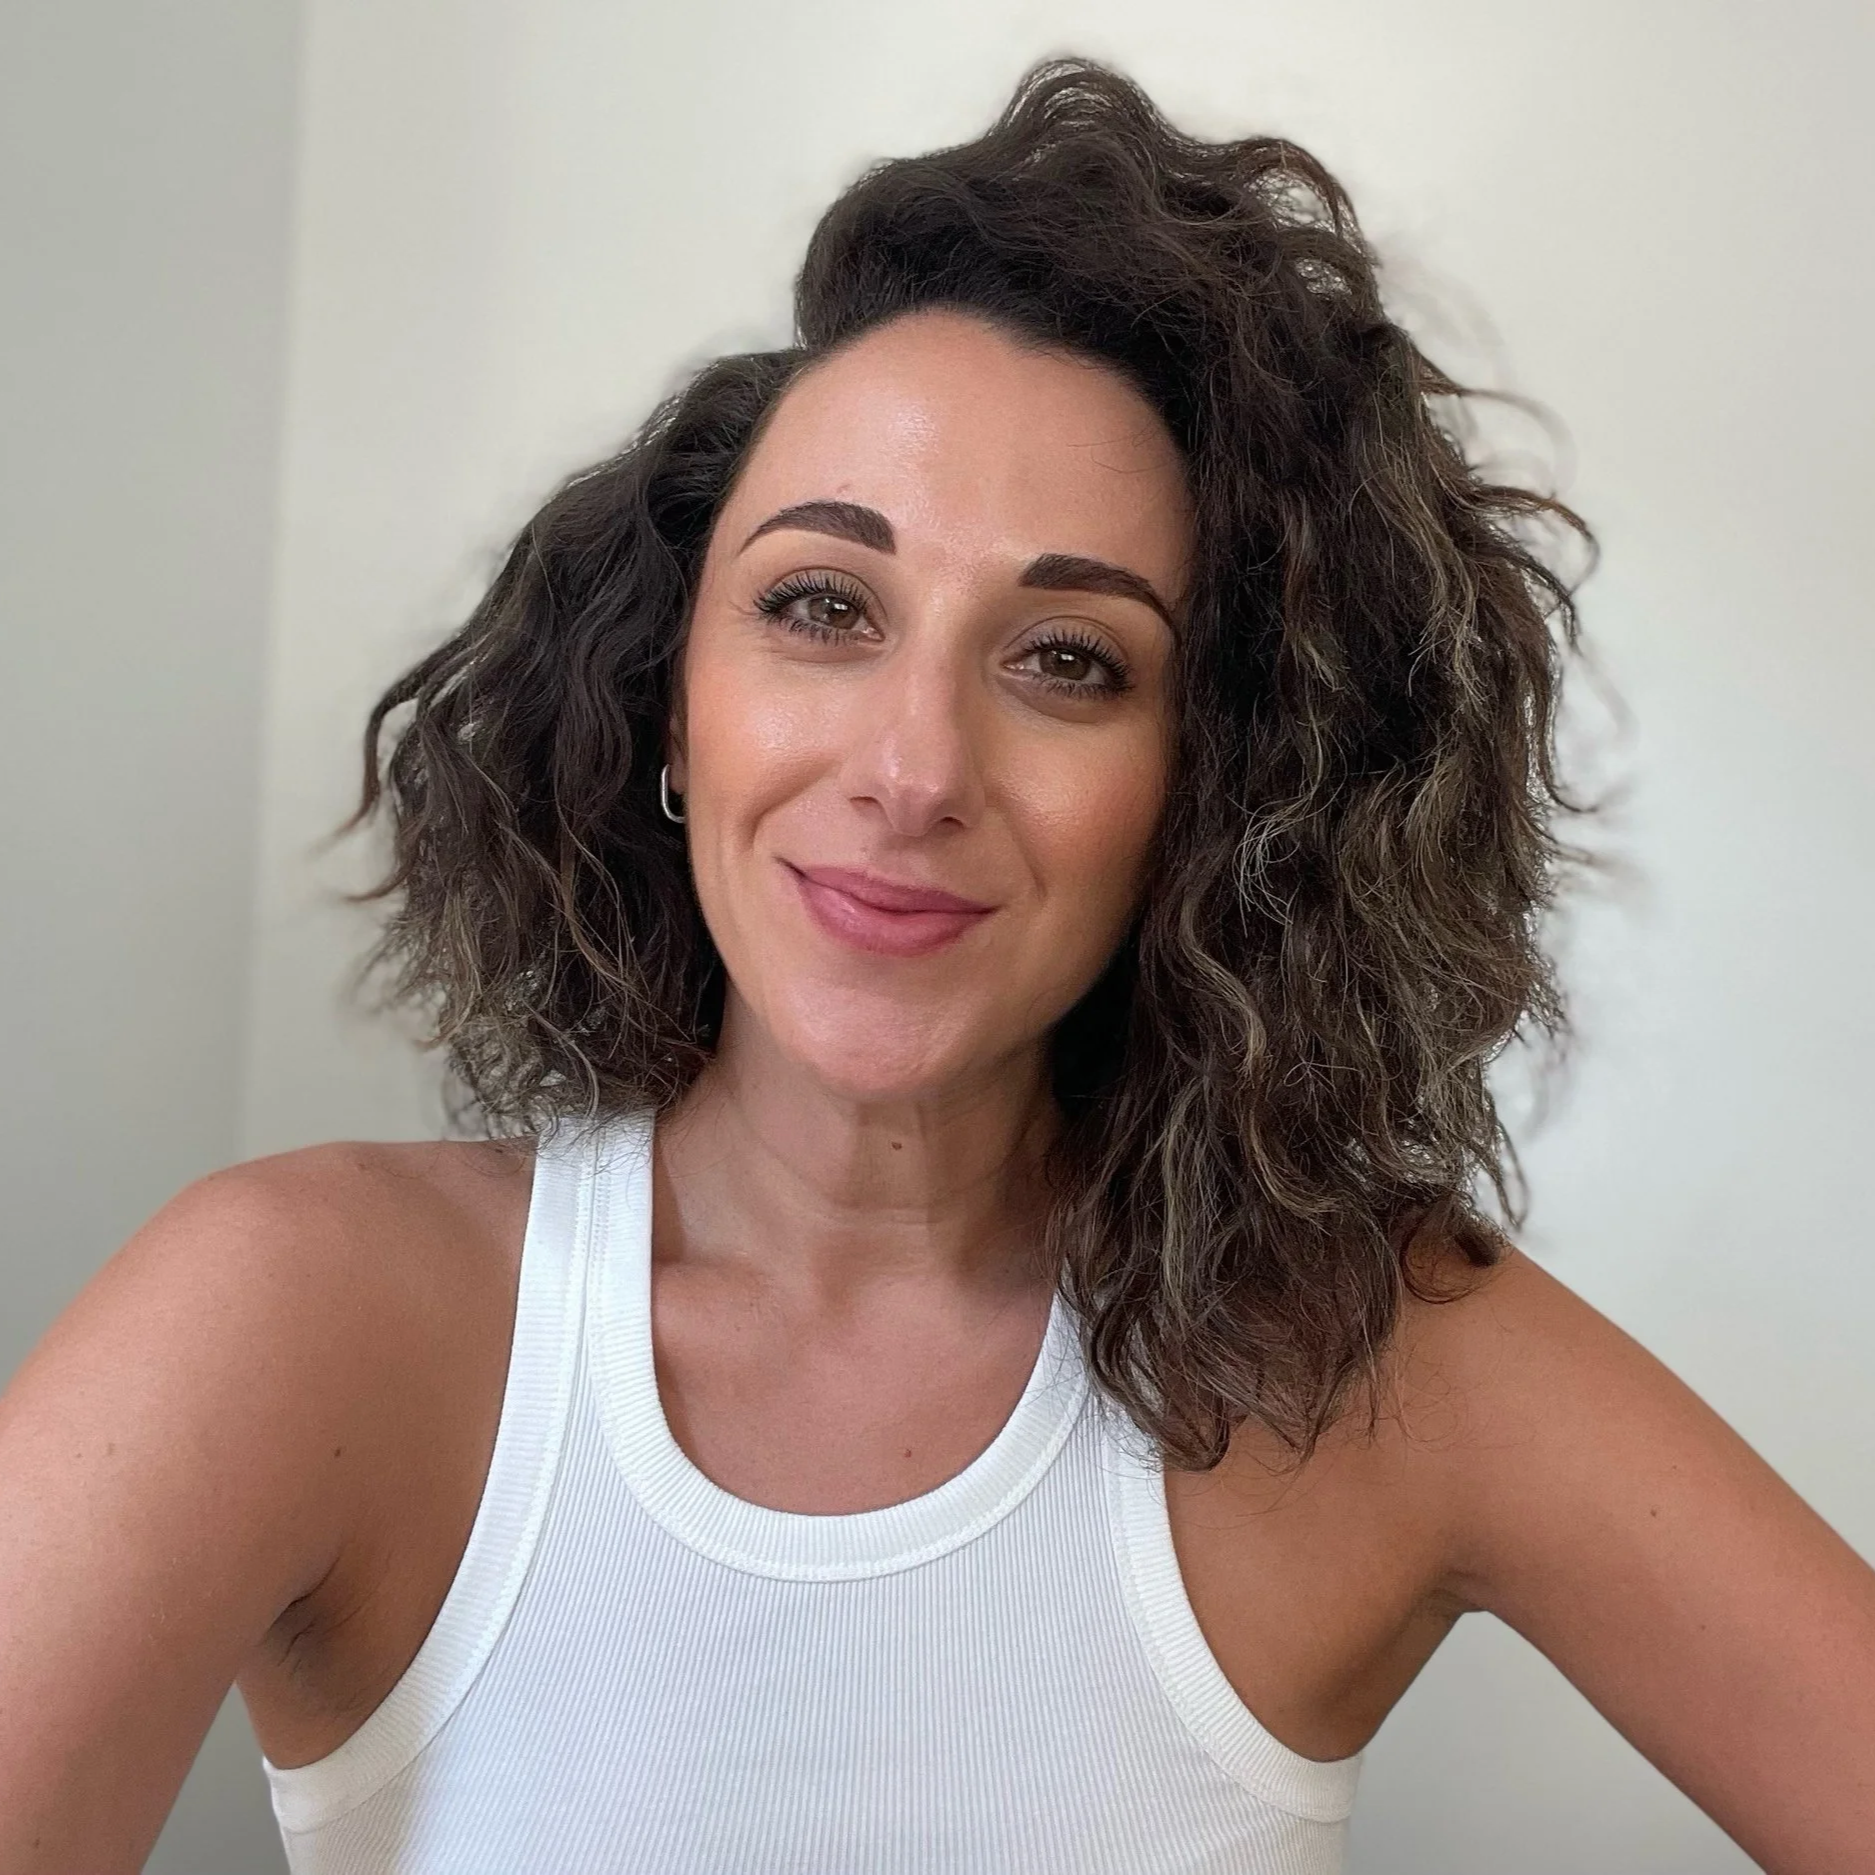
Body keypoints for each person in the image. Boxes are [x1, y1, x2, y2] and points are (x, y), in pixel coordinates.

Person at [2, 56, 1871, 1875]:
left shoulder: (1384, 1359)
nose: (910, 770)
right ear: (669, 697)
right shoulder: (289, 1320)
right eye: (821, 606)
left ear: (1213, 791)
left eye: (1069, 657)